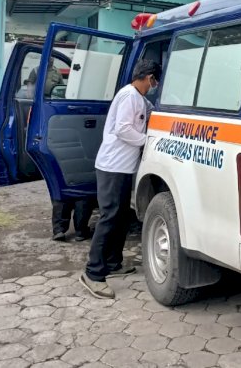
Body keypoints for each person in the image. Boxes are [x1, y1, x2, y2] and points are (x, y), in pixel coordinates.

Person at [79, 59, 160, 300]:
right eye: (154, 80)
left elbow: (152, 110)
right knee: (109, 217)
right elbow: (124, 129)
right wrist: (148, 141)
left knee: (121, 216)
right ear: (149, 78)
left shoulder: (139, 98)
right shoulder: (128, 96)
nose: (154, 85)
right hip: (112, 166)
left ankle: (113, 262)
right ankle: (93, 273)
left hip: (124, 167)